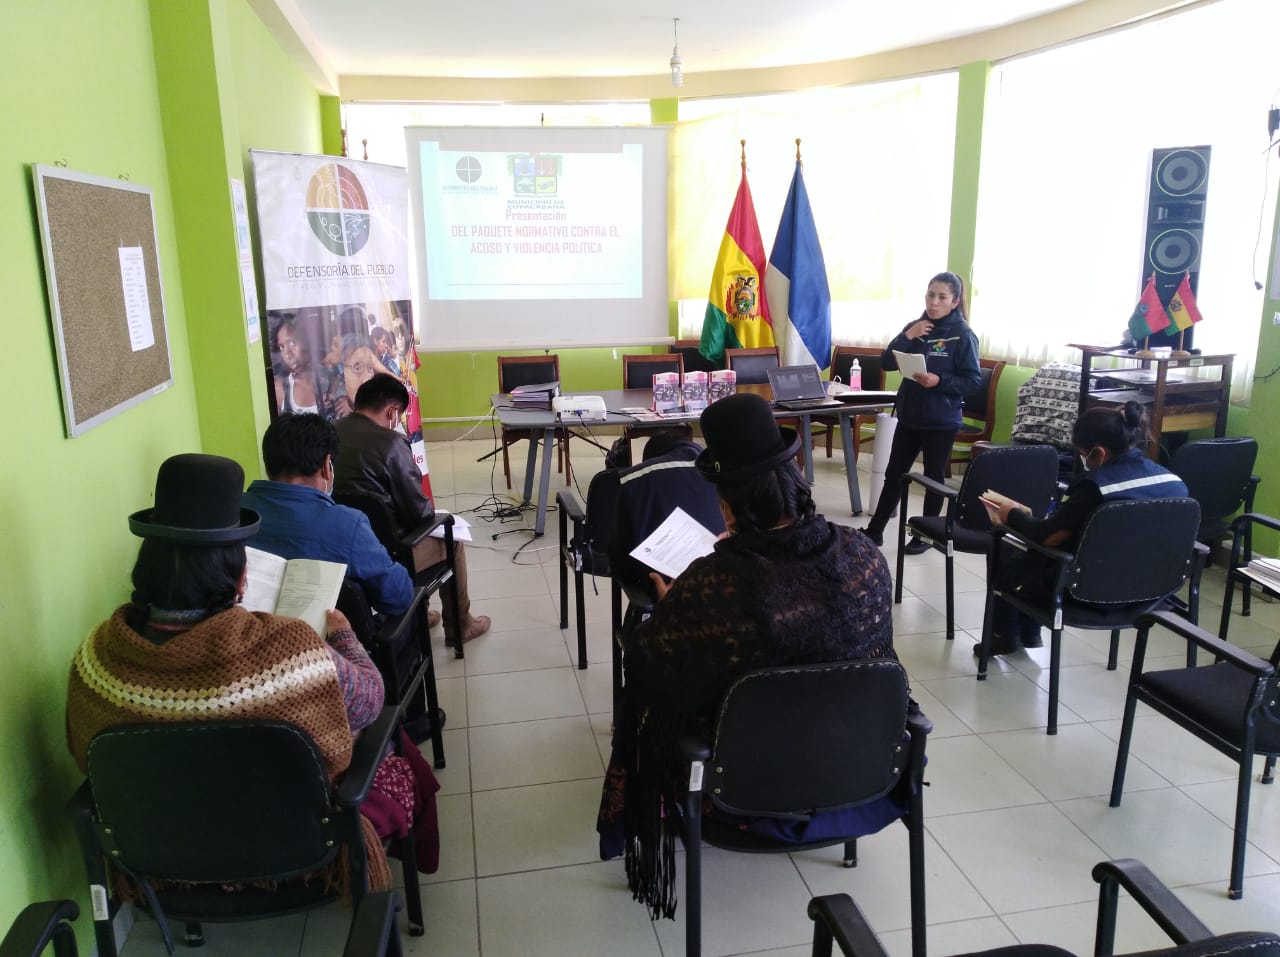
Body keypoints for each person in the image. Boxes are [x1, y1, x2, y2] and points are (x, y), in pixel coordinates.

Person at [65, 453, 440, 894]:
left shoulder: (95, 661)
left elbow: (82, 752)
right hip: (302, 844)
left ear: (145, 566)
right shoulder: (289, 650)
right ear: (240, 579)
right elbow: (370, 700)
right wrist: (343, 638)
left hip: (160, 854)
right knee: (397, 756)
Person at [597, 393, 901, 919]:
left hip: (739, 791)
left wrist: (674, 606)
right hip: (860, 771)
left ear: (726, 506)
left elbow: (650, 666)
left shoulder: (714, 584)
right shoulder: (863, 557)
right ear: (796, 478)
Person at [980, 401, 1189, 655]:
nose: (1082, 459)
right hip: (1152, 592)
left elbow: (1049, 538)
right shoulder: (1174, 482)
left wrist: (1011, 514)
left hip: (1090, 591)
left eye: (1082, 452)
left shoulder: (1095, 486)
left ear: (1098, 453)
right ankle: (1029, 633)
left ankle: (1005, 636)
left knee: (1007, 546)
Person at [334, 374, 491, 642]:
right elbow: (419, 514)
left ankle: (417, 611)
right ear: (393, 412)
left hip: (345, 545)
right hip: (392, 551)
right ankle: (461, 627)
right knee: (452, 540)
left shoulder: (331, 432)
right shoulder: (391, 444)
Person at [242, 413, 414, 616]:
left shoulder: (232, 512)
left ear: (268, 463)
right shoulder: (348, 524)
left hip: (248, 637)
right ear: (327, 464)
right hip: (330, 642)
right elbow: (397, 597)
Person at [861, 271, 981, 553]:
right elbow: (886, 363)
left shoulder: (963, 335)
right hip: (910, 415)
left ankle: (925, 536)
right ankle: (875, 530)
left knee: (932, 479)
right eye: (930, 295)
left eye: (942, 297)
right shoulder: (917, 326)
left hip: (941, 420)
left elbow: (973, 381)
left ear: (955, 301)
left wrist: (939, 382)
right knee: (895, 474)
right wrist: (906, 336)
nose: (934, 302)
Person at [608, 428, 726, 601]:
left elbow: (621, 565)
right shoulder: (724, 473)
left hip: (667, 591)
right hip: (724, 581)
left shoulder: (634, 481)